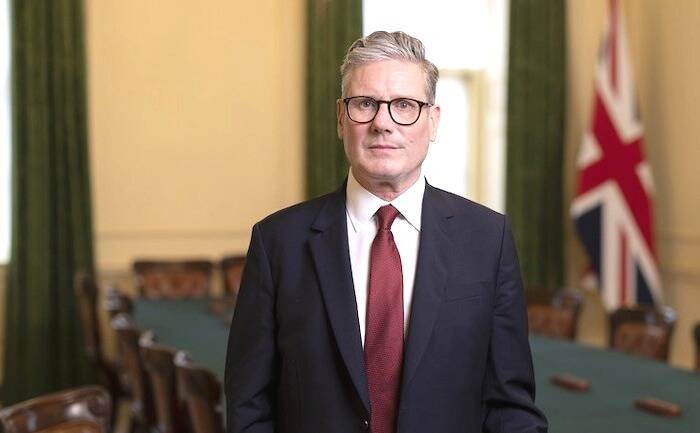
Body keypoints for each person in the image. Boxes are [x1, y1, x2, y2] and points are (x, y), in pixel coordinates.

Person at [225, 30, 547, 433]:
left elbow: (511, 408)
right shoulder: (278, 242)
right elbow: (249, 407)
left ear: (433, 120)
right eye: (365, 103)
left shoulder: (487, 239)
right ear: (341, 118)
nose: (382, 123)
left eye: (405, 105)